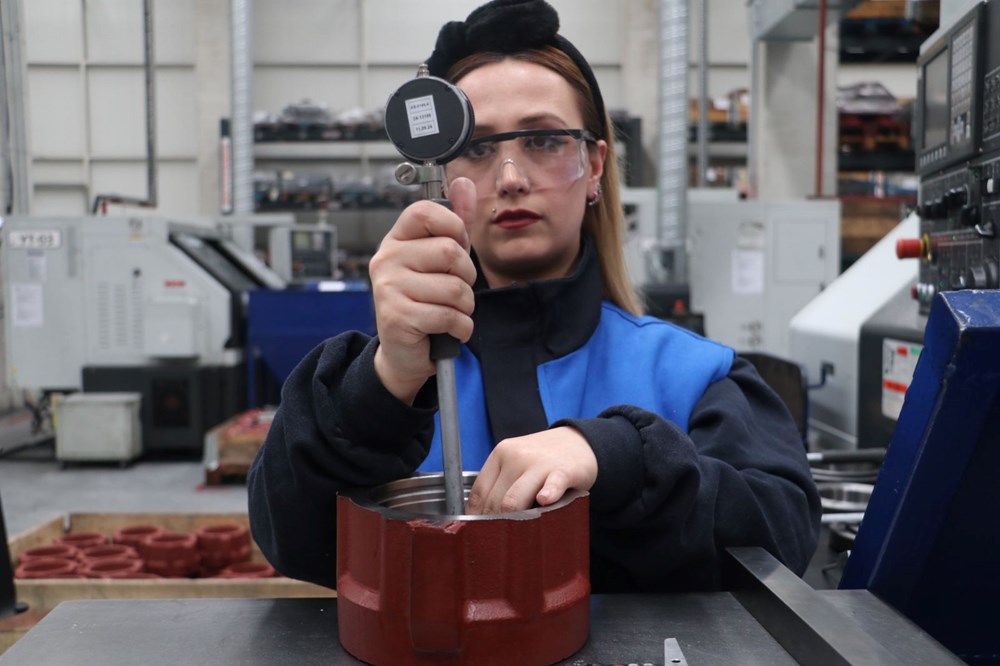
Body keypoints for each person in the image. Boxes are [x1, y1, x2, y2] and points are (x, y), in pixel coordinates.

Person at [248, 0, 821, 593]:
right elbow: (290, 541)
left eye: (544, 140)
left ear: (594, 165)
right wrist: (381, 387)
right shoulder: (387, 386)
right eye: (478, 148)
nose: (511, 178)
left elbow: (781, 539)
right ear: (440, 175)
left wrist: (616, 456)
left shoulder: (693, 376)